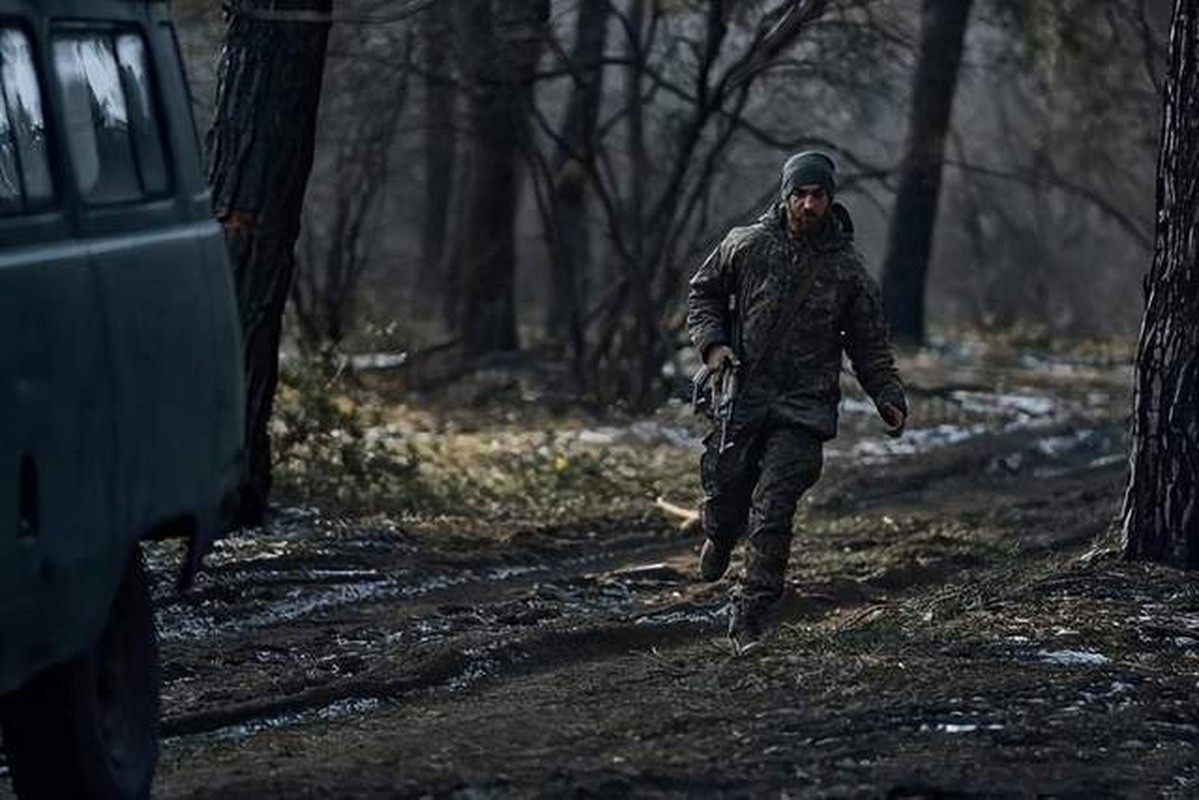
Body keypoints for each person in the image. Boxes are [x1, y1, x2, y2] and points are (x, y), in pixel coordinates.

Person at [686, 150, 907, 655]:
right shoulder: (745, 245)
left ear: (831, 199)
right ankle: (719, 534)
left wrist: (888, 396)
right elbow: (703, 296)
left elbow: (869, 344)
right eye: (802, 194)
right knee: (725, 492)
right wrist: (714, 346)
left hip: (805, 409)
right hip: (742, 398)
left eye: (820, 195)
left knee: (773, 510)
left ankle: (752, 617)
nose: (811, 204)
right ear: (786, 195)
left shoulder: (847, 271)